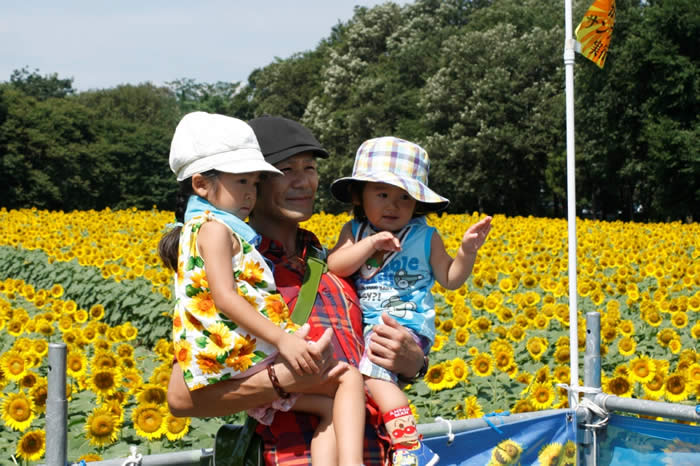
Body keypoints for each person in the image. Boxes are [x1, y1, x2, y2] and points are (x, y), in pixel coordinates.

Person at [166, 115, 428, 465]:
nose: (304, 181)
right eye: (286, 170)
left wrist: (413, 362)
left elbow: (378, 364)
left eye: (310, 168)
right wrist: (281, 381)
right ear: (253, 183)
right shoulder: (241, 273)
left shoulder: (340, 264)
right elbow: (182, 399)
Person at [327, 136, 493, 465]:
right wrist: (372, 243)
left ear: (417, 202)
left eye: (405, 197)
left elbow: (450, 279)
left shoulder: (425, 236)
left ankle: (409, 444)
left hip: (405, 323)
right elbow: (337, 264)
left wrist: (466, 253)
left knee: (374, 376)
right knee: (361, 383)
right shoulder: (354, 231)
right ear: (360, 196)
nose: (393, 205)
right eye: (383, 194)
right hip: (368, 326)